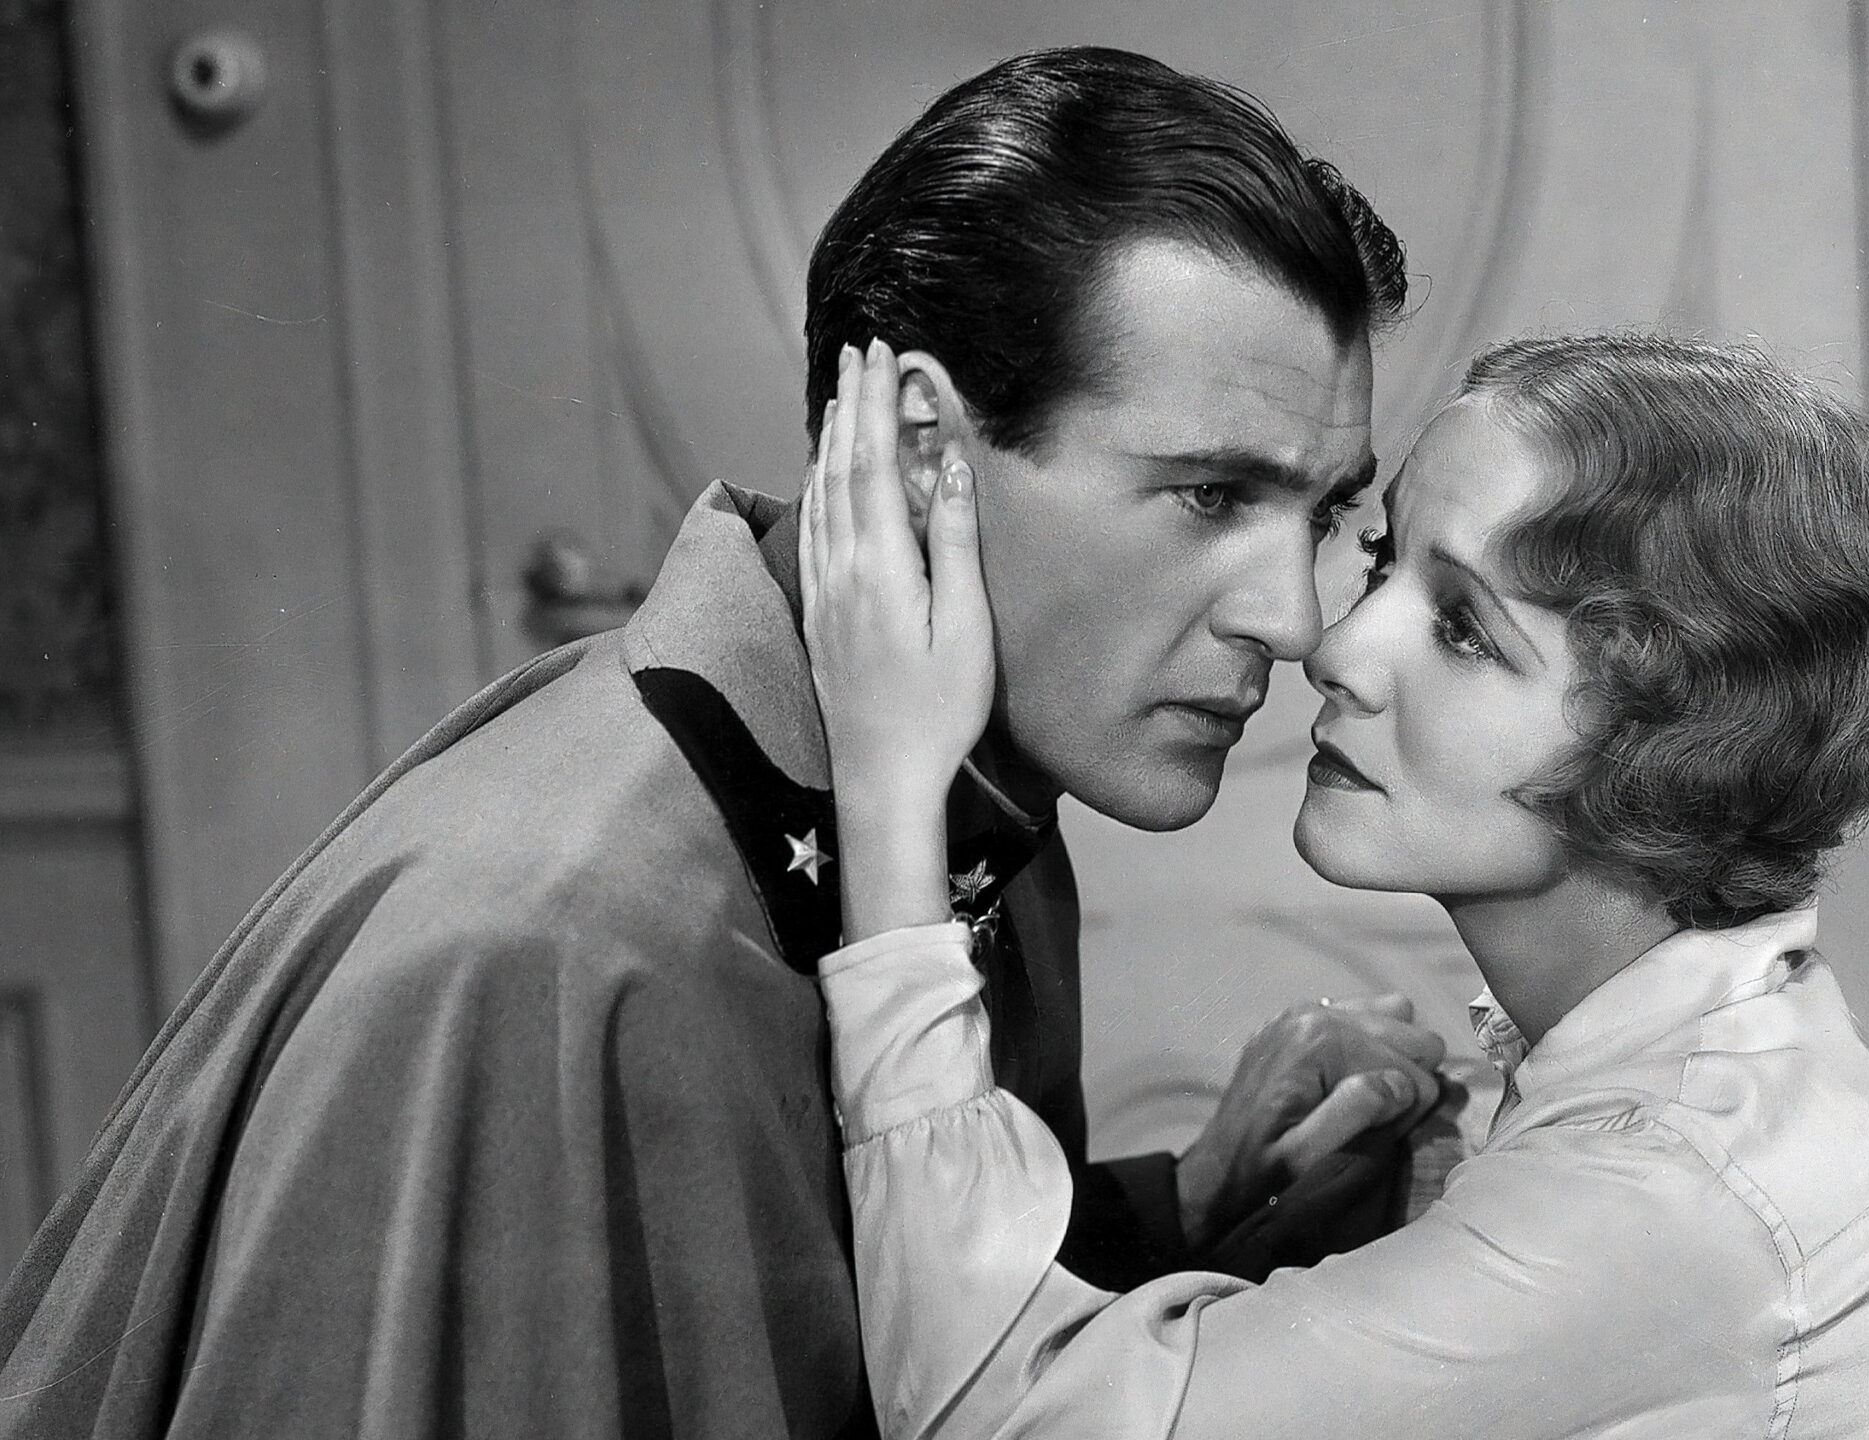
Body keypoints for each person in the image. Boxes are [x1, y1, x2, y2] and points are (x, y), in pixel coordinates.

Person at [0, 48, 1441, 1438]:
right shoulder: (568, 947)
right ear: (926, 450)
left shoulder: (968, 791)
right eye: (1209, 496)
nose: (1295, 617)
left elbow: (820, 1333)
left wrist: (1191, 1202)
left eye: (1323, 513)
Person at [799, 332, 1869, 1437]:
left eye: (1465, 628)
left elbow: (1008, 1417)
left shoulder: (1667, 1189)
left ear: (1682, 749)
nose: (1337, 649)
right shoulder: (1719, 1071)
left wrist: (896, 794)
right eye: (1382, 565)